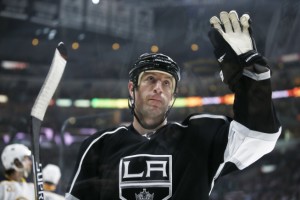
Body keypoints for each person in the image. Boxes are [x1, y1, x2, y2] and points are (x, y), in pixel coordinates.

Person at [65, 10, 282, 200]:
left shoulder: (199, 137)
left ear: (173, 96)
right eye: (150, 79)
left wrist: (248, 75)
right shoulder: (99, 145)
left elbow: (259, 137)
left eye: (167, 83)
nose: (159, 87)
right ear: (132, 89)